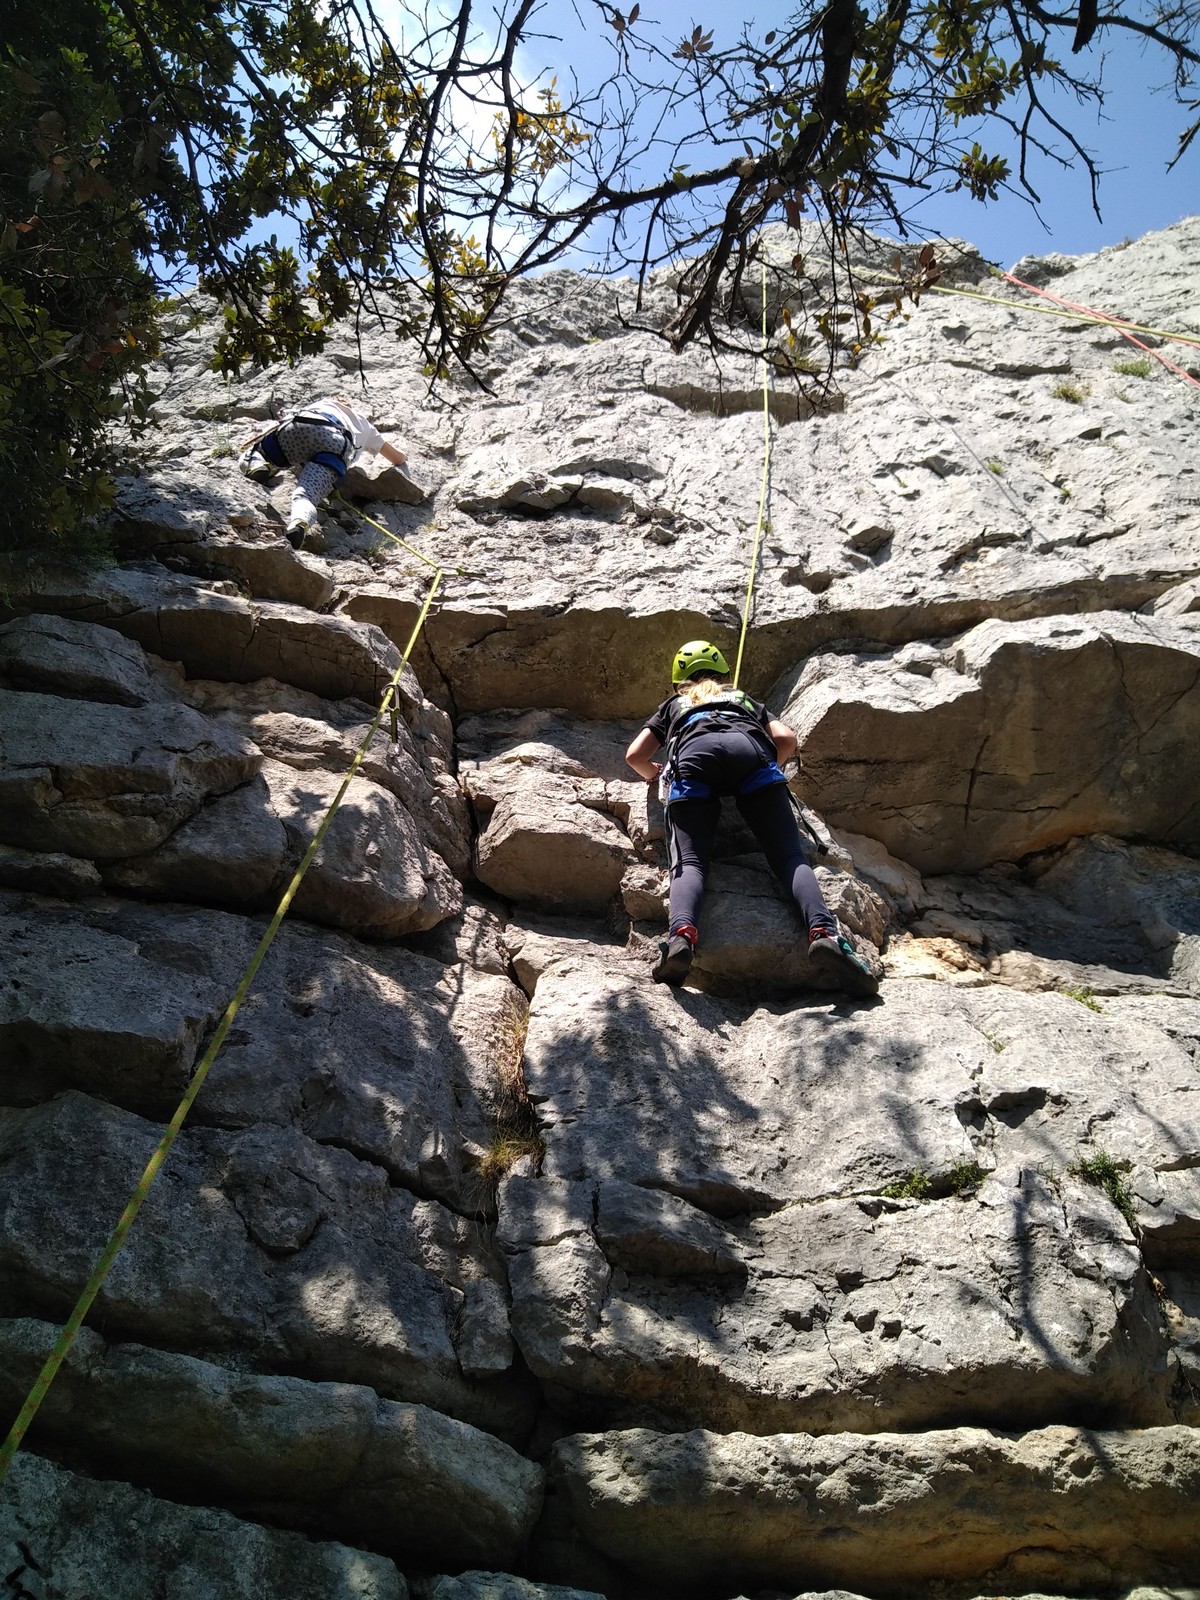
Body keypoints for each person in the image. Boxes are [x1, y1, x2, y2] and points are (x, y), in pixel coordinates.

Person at [625, 639, 879, 996]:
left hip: (695, 759)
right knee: (789, 856)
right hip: (749, 753)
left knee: (691, 862)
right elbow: (786, 739)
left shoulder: (673, 705)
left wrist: (655, 773)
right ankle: (825, 934)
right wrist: (764, 772)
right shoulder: (741, 699)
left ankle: (681, 938)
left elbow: (635, 756)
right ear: (724, 674)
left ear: (678, 682)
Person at [239, 395, 408, 548]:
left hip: (303, 424)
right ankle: (300, 522)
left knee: (256, 451)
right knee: (306, 495)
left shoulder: (322, 403)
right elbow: (397, 459)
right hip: (335, 444)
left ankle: (256, 465)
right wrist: (405, 455)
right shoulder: (365, 425)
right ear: (350, 407)